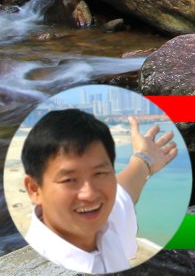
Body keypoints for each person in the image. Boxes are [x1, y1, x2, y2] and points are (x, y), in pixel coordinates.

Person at [21, 109, 178, 273]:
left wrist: (145, 158)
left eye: (99, 173)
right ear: (34, 189)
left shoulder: (105, 222)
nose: (89, 194)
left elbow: (123, 193)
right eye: (69, 180)